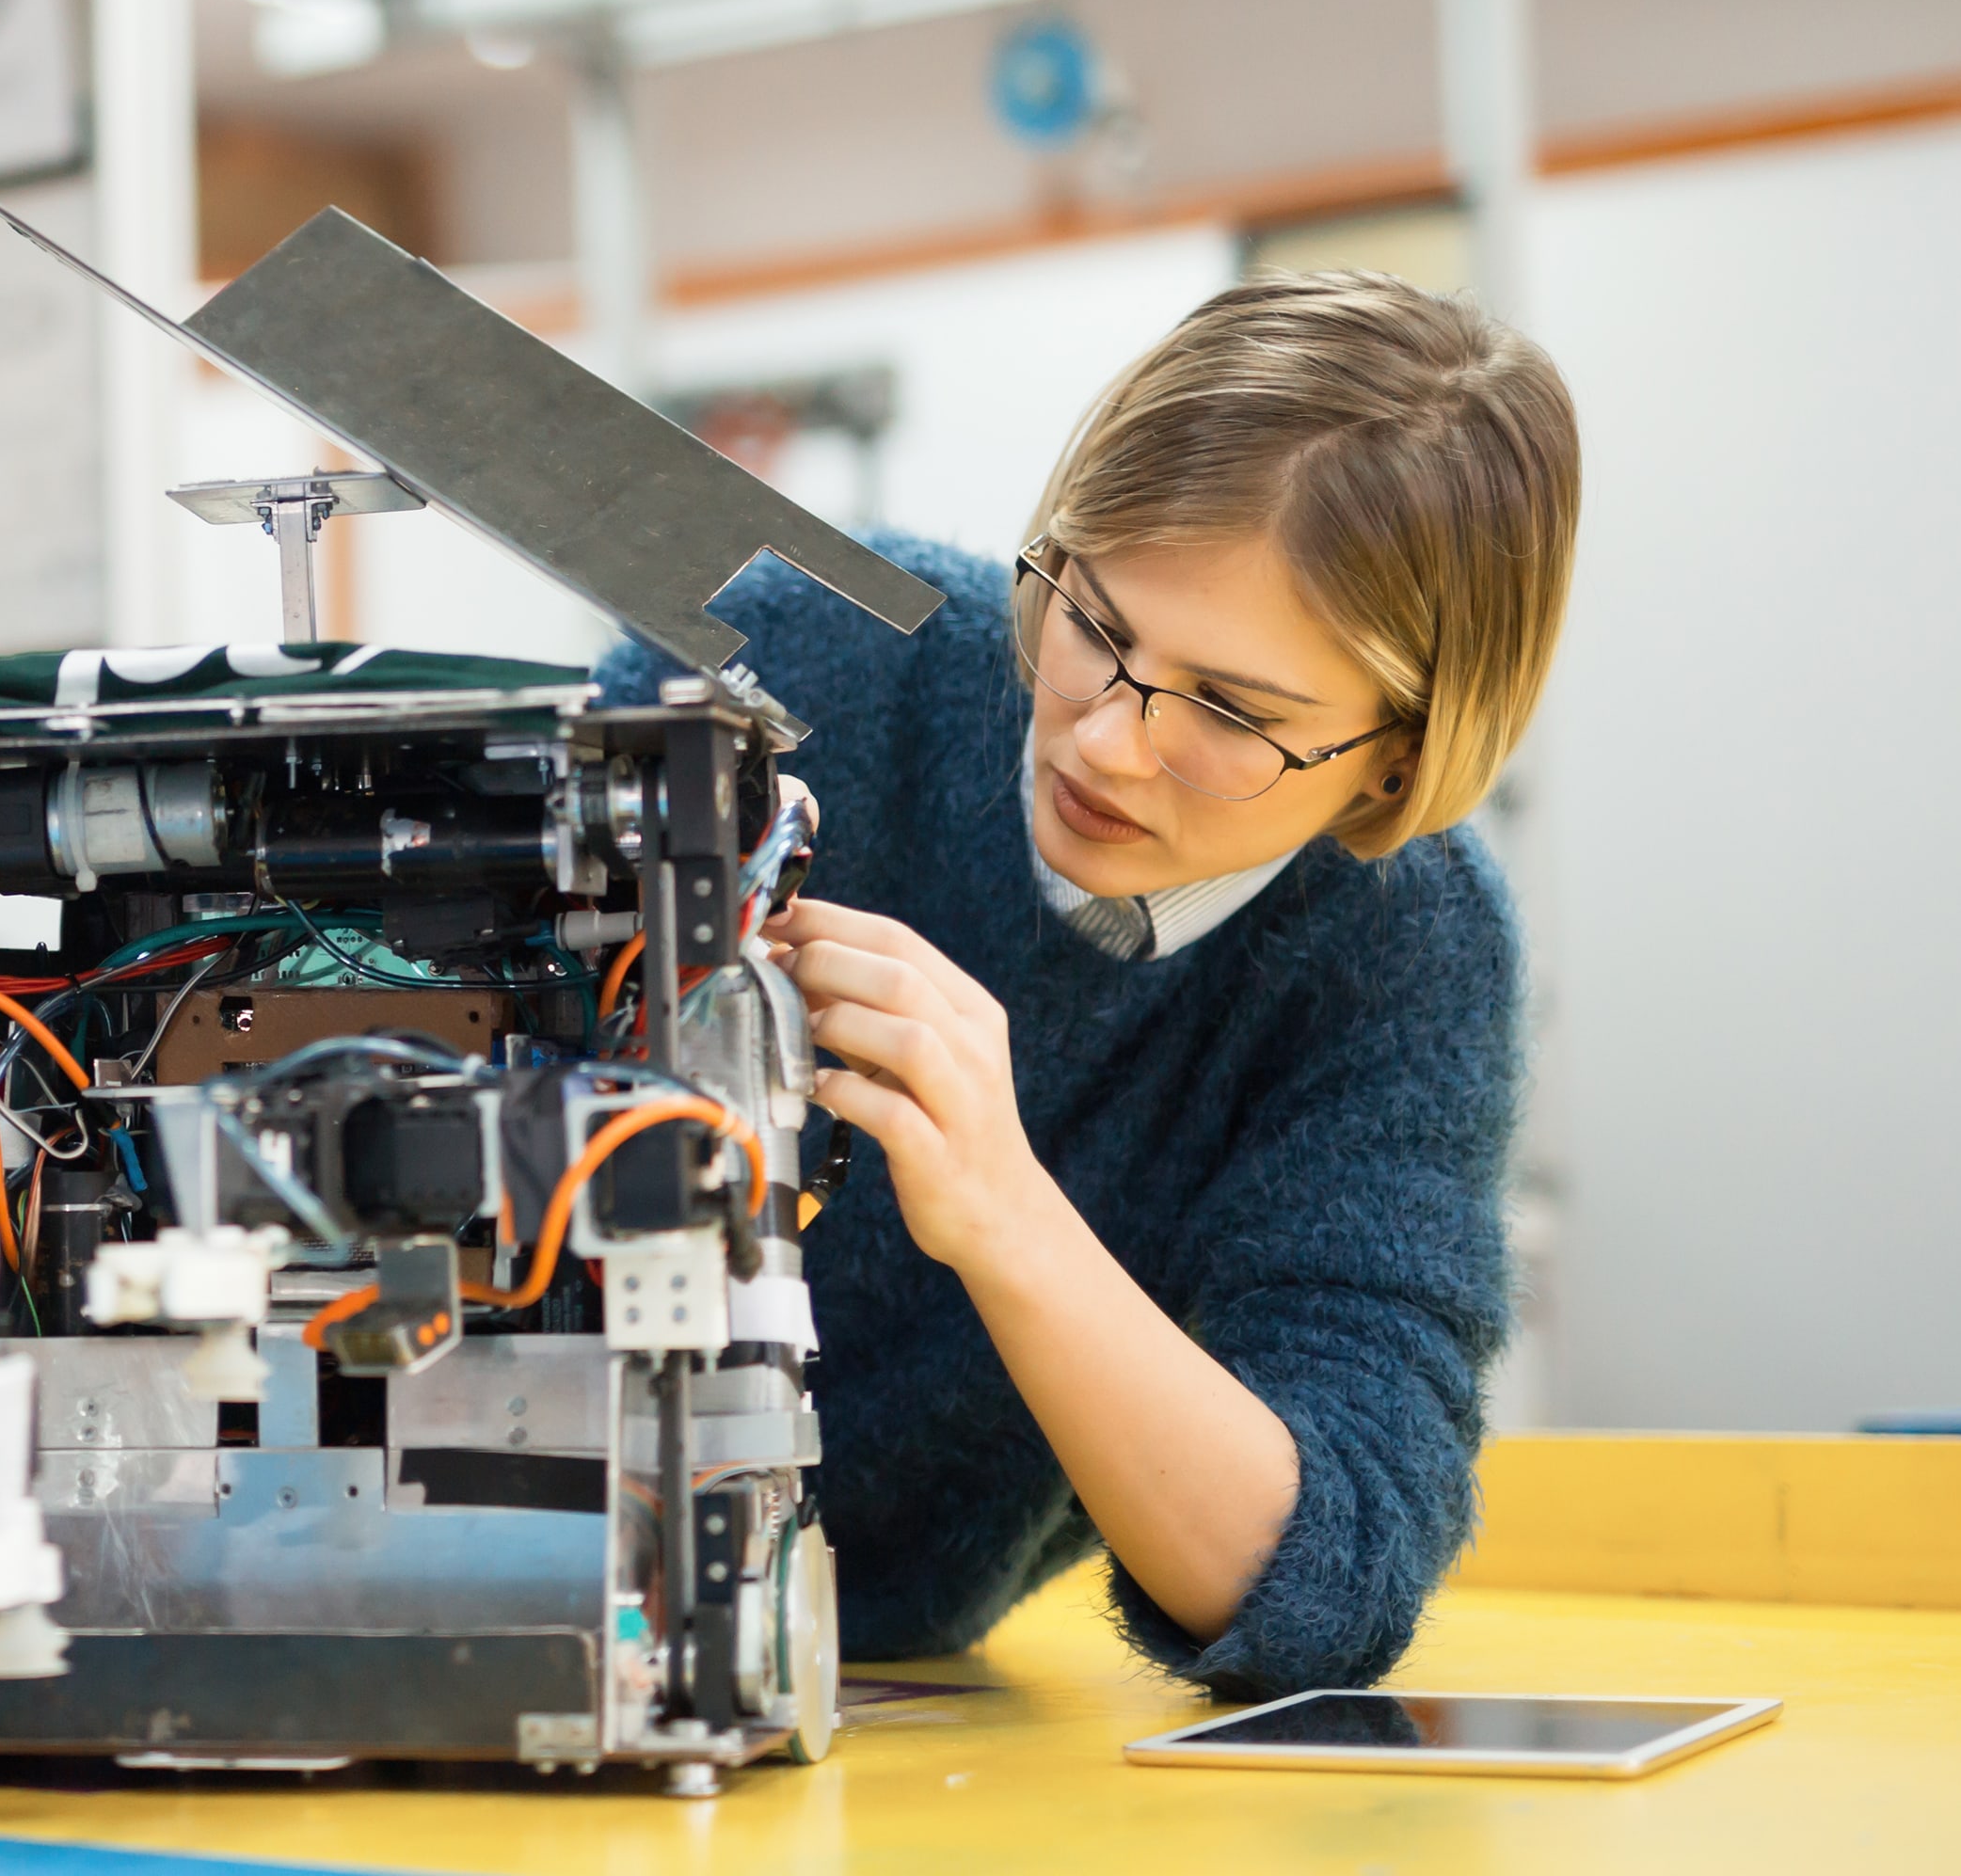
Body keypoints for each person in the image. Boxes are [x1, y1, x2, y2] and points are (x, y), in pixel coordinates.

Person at [606, 270, 1577, 1699]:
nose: (1113, 745)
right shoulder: (798, 663)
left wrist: (1002, 1208)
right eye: (1097, 625)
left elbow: (1328, 1575)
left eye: (1237, 713)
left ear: (1399, 751)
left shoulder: (1402, 953)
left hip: (874, 1696)